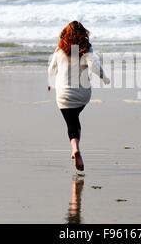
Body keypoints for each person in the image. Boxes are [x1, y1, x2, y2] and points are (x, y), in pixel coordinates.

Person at [48, 21, 110, 171]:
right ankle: (75, 149)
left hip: (63, 95)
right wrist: (104, 77)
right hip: (82, 95)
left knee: (71, 122)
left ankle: (74, 148)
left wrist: (50, 83)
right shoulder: (86, 48)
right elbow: (94, 67)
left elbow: (51, 70)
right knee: (75, 119)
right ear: (83, 33)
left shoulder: (59, 49)